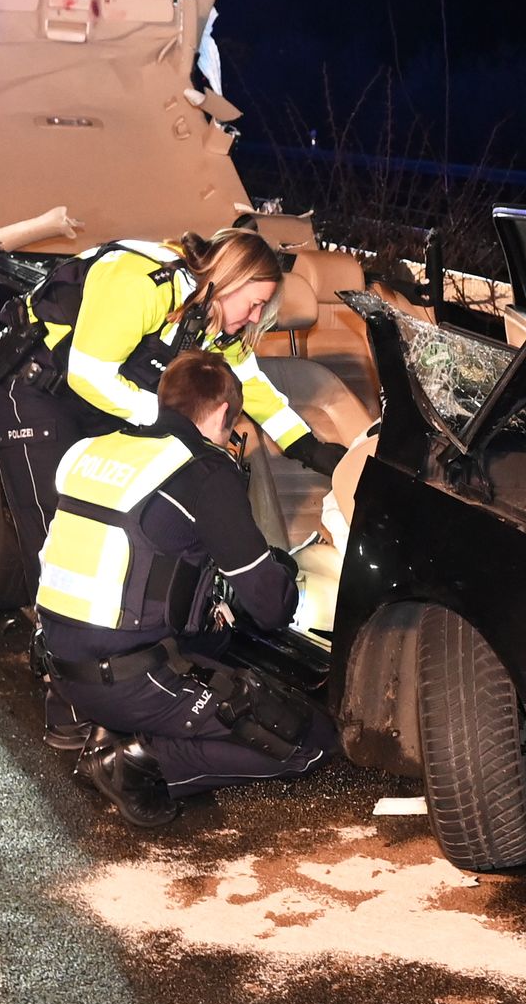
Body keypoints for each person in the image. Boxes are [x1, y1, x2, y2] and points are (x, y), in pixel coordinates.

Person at [36, 350, 336, 825]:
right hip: (127, 679)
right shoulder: (204, 472)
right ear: (221, 413)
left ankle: (84, 721)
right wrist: (280, 571)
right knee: (308, 741)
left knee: (213, 639)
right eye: (231, 426)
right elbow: (271, 606)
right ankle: (141, 762)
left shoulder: (92, 448)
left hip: (60, 666)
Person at [0, 226, 346, 597]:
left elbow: (249, 383)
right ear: (228, 279)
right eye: (254, 304)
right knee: (59, 527)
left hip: (103, 405)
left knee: (112, 523)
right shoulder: (141, 283)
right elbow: (89, 375)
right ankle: (57, 634)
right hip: (35, 391)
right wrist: (169, 423)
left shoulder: (213, 316)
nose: (256, 318)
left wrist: (305, 444)